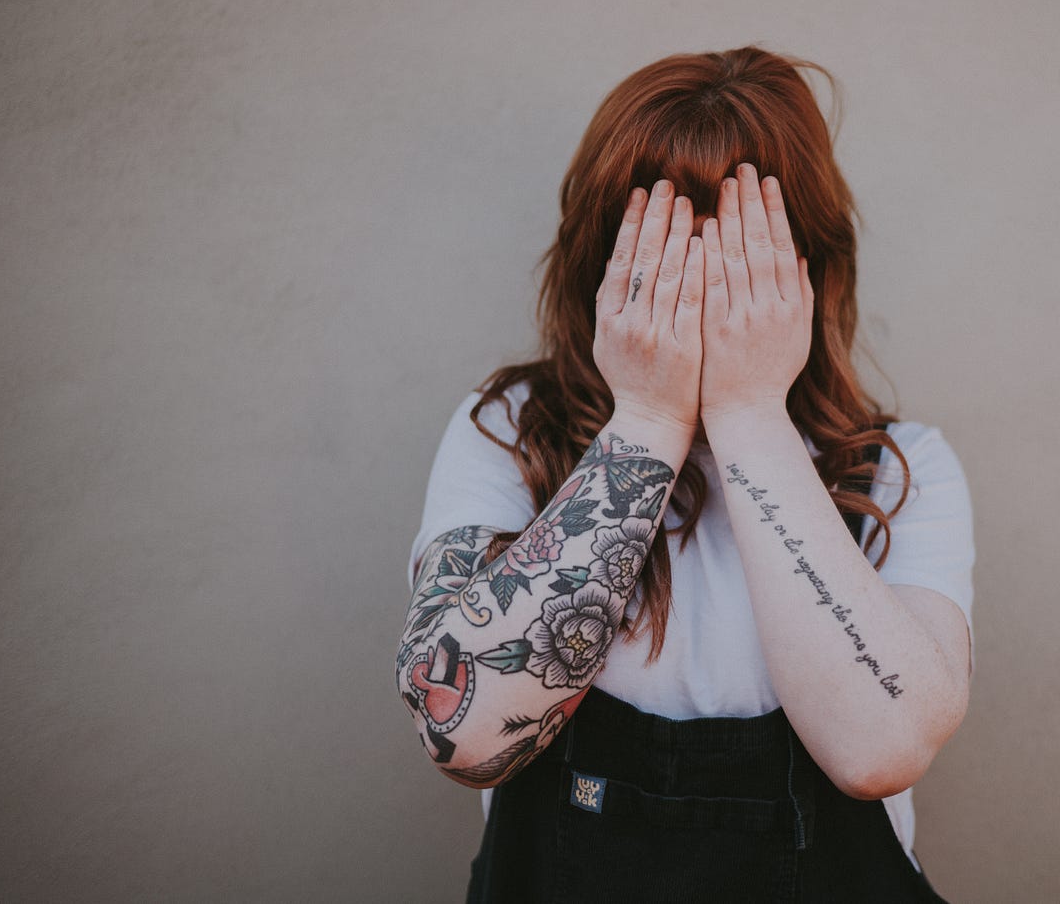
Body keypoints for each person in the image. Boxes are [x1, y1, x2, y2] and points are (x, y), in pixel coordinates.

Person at [396, 45, 975, 903]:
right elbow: (465, 735)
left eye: (735, 255)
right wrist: (649, 421)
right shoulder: (509, 432)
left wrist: (747, 414)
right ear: (599, 258)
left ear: (804, 267)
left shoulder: (900, 472)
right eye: (660, 252)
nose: (693, 288)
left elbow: (880, 748)